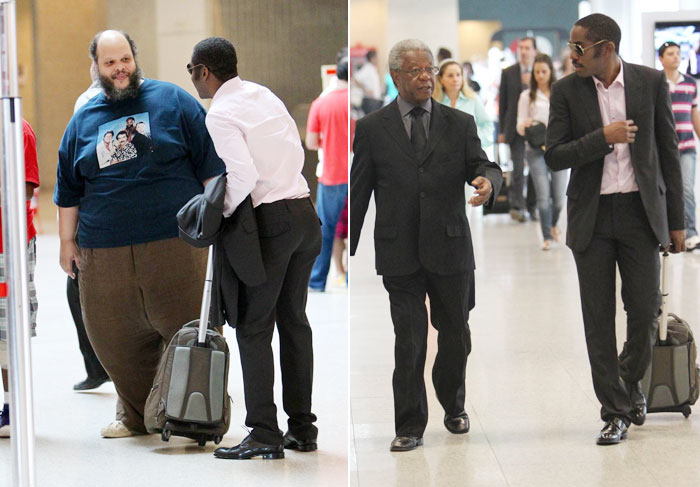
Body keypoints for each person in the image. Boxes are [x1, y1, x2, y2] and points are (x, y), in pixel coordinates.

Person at [54, 30, 225, 438]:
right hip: (104, 248)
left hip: (176, 242)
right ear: (95, 67)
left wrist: (217, 224)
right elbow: (68, 188)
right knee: (112, 336)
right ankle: (133, 414)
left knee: (189, 329)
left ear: (135, 58)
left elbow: (212, 168)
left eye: (125, 59)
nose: (119, 69)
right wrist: (66, 242)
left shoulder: (173, 100)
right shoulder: (83, 120)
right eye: (110, 62)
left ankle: (188, 412)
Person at [350, 39, 503, 452]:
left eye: (430, 69)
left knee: (454, 335)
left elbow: (483, 164)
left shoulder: (458, 123)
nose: (425, 77)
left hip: (450, 248)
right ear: (396, 76)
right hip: (399, 251)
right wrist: (347, 242)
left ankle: (453, 403)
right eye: (416, 71)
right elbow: (359, 187)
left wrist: (489, 183)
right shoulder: (371, 128)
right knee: (409, 339)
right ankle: (409, 424)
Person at [545, 13, 685, 445]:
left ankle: (629, 382)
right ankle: (615, 410)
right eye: (571, 46)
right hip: (591, 216)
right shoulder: (566, 90)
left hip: (640, 215)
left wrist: (677, 222)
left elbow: (668, 152)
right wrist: (603, 137)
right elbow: (554, 155)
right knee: (597, 319)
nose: (572, 56)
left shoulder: (648, 83)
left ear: (606, 48)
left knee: (644, 312)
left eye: (579, 48)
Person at [188, 37, 322, 460]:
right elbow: (294, 149)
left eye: (192, 69)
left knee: (252, 326)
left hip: (271, 223)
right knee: (294, 322)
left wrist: (217, 214)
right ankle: (302, 428)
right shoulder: (262, 94)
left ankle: (264, 432)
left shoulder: (221, 113)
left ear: (204, 71)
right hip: (304, 213)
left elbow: (241, 176)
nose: (192, 77)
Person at [70, 69, 111, 391]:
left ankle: (98, 366)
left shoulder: (87, 102)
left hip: (101, 210)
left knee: (77, 286)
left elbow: (78, 163)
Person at [0, 119, 40, 437]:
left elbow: (26, 187)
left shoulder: (17, 129)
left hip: (8, 242)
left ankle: (13, 407)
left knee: (7, 330)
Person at [307, 53, 350, 291]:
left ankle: (317, 280)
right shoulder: (356, 103)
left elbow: (312, 142)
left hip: (331, 175)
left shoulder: (320, 103)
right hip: (357, 173)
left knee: (326, 229)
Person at [516, 53, 567, 250]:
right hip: (535, 149)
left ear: (550, 72)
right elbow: (519, 125)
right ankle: (546, 235)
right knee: (543, 195)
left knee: (559, 196)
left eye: (544, 71)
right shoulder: (526, 96)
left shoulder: (560, 93)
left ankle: (554, 224)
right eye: (536, 72)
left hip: (559, 148)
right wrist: (527, 125)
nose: (540, 75)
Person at [658, 41, 700, 251]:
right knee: (664, 190)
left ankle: (691, 233)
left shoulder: (691, 83)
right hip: (663, 149)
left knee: (687, 190)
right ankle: (665, 231)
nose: (675, 56)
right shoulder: (656, 82)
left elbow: (694, 113)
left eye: (678, 53)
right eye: (670, 53)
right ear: (661, 58)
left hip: (687, 147)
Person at [499, 36, 538, 222]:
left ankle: (533, 204)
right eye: (521, 48)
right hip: (515, 128)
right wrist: (501, 130)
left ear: (534, 51)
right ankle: (517, 206)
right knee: (517, 167)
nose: (523, 51)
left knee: (535, 168)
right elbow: (503, 103)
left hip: (536, 129)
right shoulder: (508, 73)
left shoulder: (540, 71)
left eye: (527, 48)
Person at [434, 58, 493, 150]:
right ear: (441, 79)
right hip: (444, 154)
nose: (455, 79)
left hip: (471, 153)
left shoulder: (472, 99)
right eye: (450, 75)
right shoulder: (435, 102)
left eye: (458, 75)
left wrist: (476, 138)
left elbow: (488, 124)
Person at [354, 49, 383, 115]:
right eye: (377, 57)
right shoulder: (367, 68)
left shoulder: (373, 68)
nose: (378, 59)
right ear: (372, 58)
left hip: (375, 100)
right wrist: (366, 90)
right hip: (370, 101)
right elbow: (356, 79)